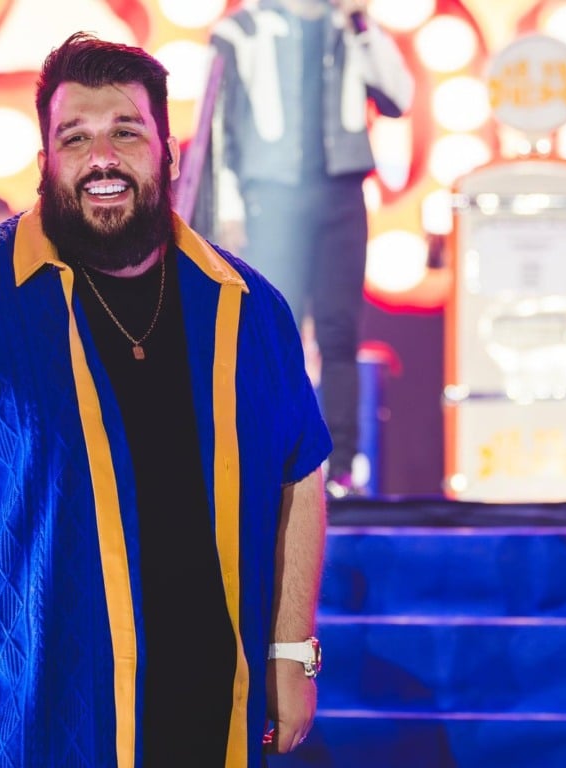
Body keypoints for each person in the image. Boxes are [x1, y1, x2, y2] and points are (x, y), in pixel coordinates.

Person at [0, 32, 330, 768]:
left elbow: (298, 474)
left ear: (169, 152)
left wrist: (290, 650)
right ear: (45, 162)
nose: (101, 158)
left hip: (202, 723)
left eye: (126, 132)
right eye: (74, 138)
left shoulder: (247, 307)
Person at [209, 0, 413, 497]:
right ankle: (273, 465)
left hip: (340, 193)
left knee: (340, 332)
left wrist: (362, 25)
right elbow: (217, 126)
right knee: (274, 334)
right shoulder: (243, 30)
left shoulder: (351, 28)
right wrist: (229, 206)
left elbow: (398, 97)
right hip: (271, 196)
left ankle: (341, 468)